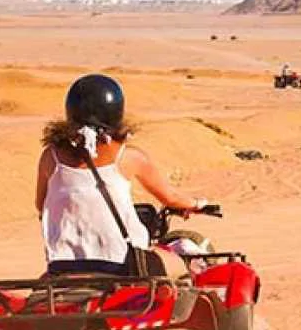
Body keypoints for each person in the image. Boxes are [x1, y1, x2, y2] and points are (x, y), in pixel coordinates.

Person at [36, 74, 208, 276]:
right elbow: (170, 197)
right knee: (182, 264)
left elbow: (41, 205)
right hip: (122, 265)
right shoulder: (128, 157)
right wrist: (196, 204)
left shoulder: (50, 157)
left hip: (61, 266)